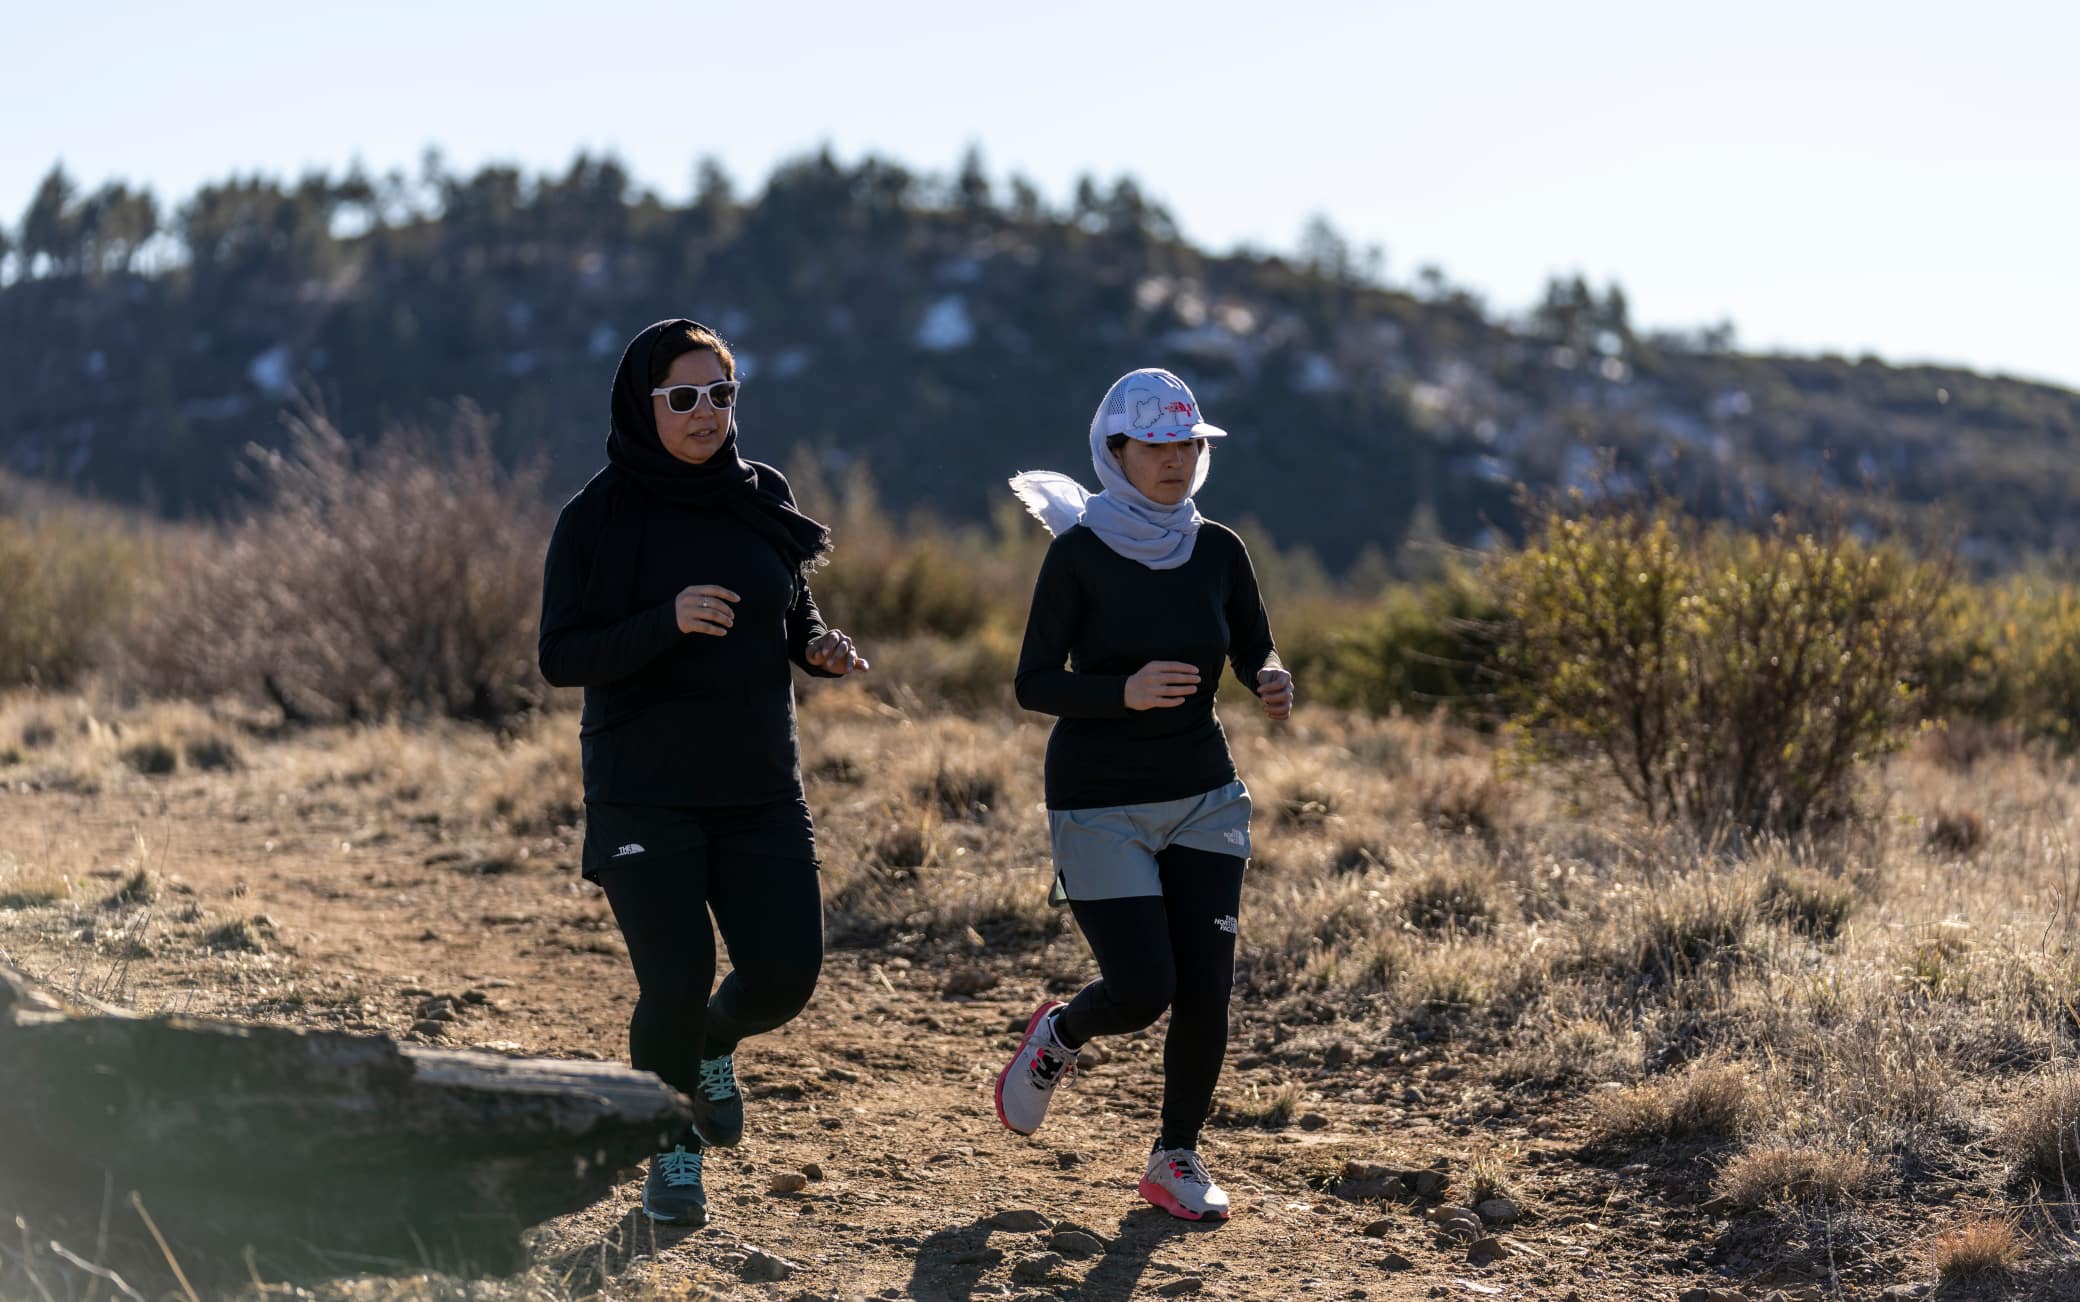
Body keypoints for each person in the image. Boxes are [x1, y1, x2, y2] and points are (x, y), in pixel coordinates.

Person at [538, 319, 867, 1228]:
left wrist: (817, 646)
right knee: (675, 981)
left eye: (720, 394)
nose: (705, 412)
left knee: (785, 976)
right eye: (683, 396)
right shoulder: (596, 517)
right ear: (641, 405)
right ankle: (672, 1144)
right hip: (643, 790)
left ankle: (714, 1043)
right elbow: (560, 655)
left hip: (760, 785)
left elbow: (792, 607)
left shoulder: (761, 493)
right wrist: (666, 620)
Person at [994, 367, 1294, 1221]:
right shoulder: (1078, 554)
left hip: (1205, 795)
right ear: (1114, 451)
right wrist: (1122, 692)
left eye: (1188, 444)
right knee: (1141, 988)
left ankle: (1176, 1156)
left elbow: (1253, 644)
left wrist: (1269, 677)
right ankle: (1060, 1034)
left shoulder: (1219, 548)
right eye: (1156, 446)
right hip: (1099, 801)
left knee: (1206, 987)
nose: (1175, 460)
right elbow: (1033, 682)